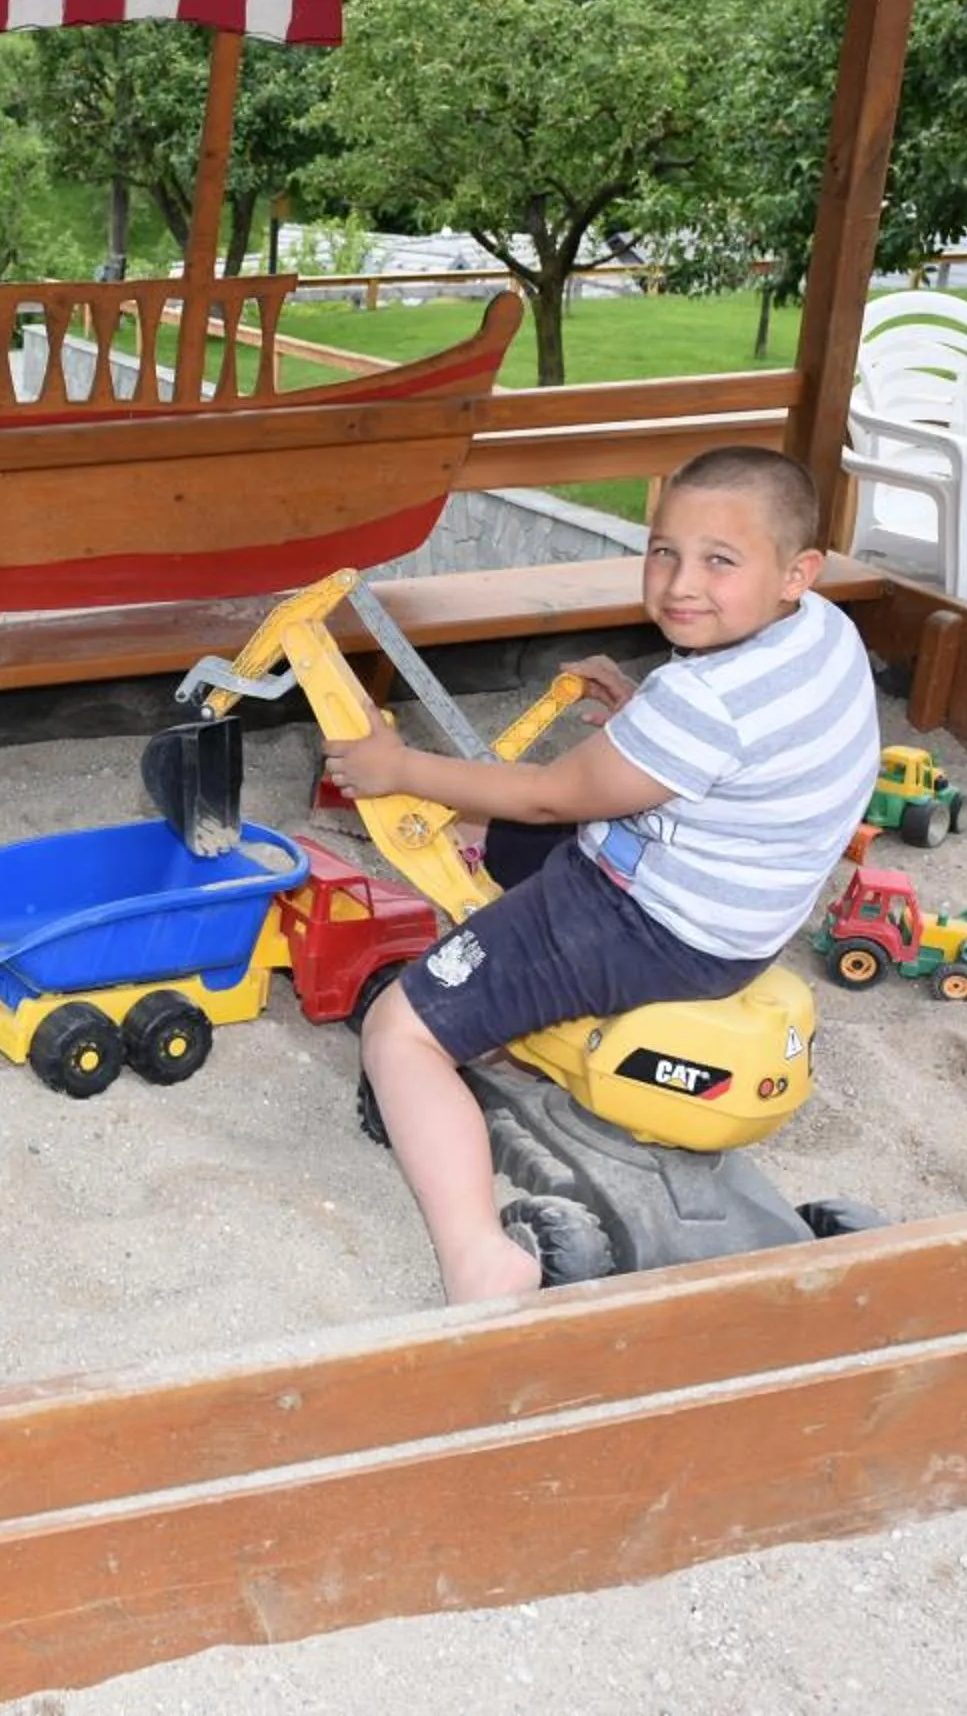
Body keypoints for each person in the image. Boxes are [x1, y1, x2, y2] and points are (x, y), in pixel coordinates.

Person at [323, 446, 881, 1304]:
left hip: (651, 923)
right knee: (486, 828)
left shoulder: (701, 704)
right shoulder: (825, 632)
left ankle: (477, 1256)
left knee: (401, 1030)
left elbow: (553, 798)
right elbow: (743, 749)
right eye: (665, 552)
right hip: (741, 910)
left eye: (718, 561)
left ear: (795, 570)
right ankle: (517, 993)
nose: (681, 582)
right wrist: (642, 720)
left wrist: (400, 768)